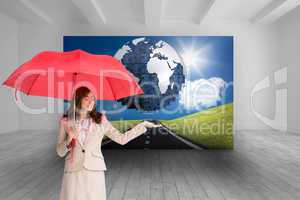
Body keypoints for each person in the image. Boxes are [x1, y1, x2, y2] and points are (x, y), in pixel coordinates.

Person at [56, 86, 161, 200]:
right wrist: (68, 140)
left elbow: (121, 139)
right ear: (78, 99)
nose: (91, 101)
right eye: (86, 98)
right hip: (73, 171)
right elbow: (60, 152)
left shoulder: (100, 119)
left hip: (94, 169)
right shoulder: (66, 121)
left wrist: (143, 125)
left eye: (93, 98)